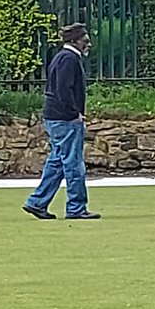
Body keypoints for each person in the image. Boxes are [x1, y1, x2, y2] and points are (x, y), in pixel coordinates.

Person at [22, 22, 100, 221]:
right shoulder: (69, 59)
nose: (88, 44)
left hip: (56, 117)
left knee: (57, 162)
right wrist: (75, 113)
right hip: (65, 119)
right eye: (85, 40)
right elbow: (63, 89)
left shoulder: (62, 57)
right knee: (73, 164)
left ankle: (37, 202)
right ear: (75, 41)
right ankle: (76, 208)